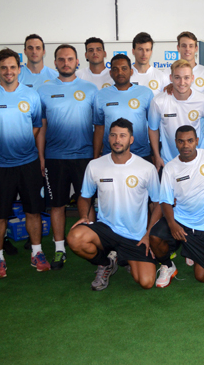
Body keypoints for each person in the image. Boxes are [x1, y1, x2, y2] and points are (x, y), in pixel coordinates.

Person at [0, 48, 50, 279]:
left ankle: (37, 253)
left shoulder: (31, 95)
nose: (8, 71)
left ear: (19, 68)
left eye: (13, 67)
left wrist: (23, 144)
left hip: (28, 164)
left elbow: (36, 126)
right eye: (3, 67)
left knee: (33, 211)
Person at [67, 118, 161, 290]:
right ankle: (106, 263)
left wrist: (148, 234)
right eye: (113, 135)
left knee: (146, 282)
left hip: (135, 236)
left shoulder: (146, 168)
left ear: (131, 140)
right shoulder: (95, 165)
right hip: (106, 230)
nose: (117, 140)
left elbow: (158, 204)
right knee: (75, 238)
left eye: (123, 136)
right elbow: (85, 196)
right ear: (108, 138)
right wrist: (83, 216)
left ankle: (124, 257)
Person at [148, 126, 204, 286]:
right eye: (181, 141)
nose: (185, 145)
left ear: (196, 141)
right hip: (180, 221)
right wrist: (172, 224)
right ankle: (167, 265)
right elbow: (165, 201)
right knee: (155, 236)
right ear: (175, 143)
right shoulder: (170, 168)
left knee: (202, 277)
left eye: (189, 141)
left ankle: (191, 251)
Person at [37, 44, 98, 270]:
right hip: (55, 158)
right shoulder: (43, 90)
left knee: (88, 202)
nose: (65, 63)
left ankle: (91, 241)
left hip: (84, 157)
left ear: (77, 62)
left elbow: (98, 125)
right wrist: (41, 157)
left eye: (69, 59)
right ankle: (59, 248)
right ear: (54, 63)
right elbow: (41, 127)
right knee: (57, 204)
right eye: (61, 59)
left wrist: (95, 156)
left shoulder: (91, 90)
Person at [148, 59, 204, 170]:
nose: (182, 82)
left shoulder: (203, 100)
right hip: (169, 161)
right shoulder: (158, 101)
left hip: (198, 160)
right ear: (171, 78)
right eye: (177, 77)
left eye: (186, 77)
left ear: (192, 78)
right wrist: (157, 156)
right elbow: (153, 129)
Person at [94, 54, 154, 161]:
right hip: (111, 155)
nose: (120, 72)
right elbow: (99, 127)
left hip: (141, 154)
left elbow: (153, 127)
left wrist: (155, 154)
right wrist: (95, 157)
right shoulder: (101, 95)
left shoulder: (145, 93)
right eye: (115, 69)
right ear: (111, 73)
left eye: (124, 68)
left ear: (131, 71)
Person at [130, 32, 170, 96]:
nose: (144, 54)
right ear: (133, 51)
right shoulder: (125, 76)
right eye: (140, 49)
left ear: (151, 52)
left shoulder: (161, 76)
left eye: (147, 50)